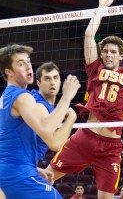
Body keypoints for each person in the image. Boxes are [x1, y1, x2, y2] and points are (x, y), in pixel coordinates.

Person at [46, 0, 123, 199]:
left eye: (113, 52)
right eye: (105, 51)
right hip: (85, 138)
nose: (108, 55)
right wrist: (101, 8)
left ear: (121, 55)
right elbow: (89, 35)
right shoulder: (95, 70)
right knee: (47, 175)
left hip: (111, 147)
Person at [0, 44, 81, 199]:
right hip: (18, 175)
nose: (28, 67)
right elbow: (50, 136)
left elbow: (6, 142)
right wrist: (67, 99)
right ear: (8, 72)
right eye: (21, 64)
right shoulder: (23, 97)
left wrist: (35, 169)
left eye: (28, 61)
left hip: (13, 171)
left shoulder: (5, 96)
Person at [31, 61, 71, 163]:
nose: (52, 82)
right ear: (38, 83)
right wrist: (72, 116)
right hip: (18, 165)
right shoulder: (38, 105)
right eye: (47, 78)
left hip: (25, 164)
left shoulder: (48, 106)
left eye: (55, 78)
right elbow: (56, 144)